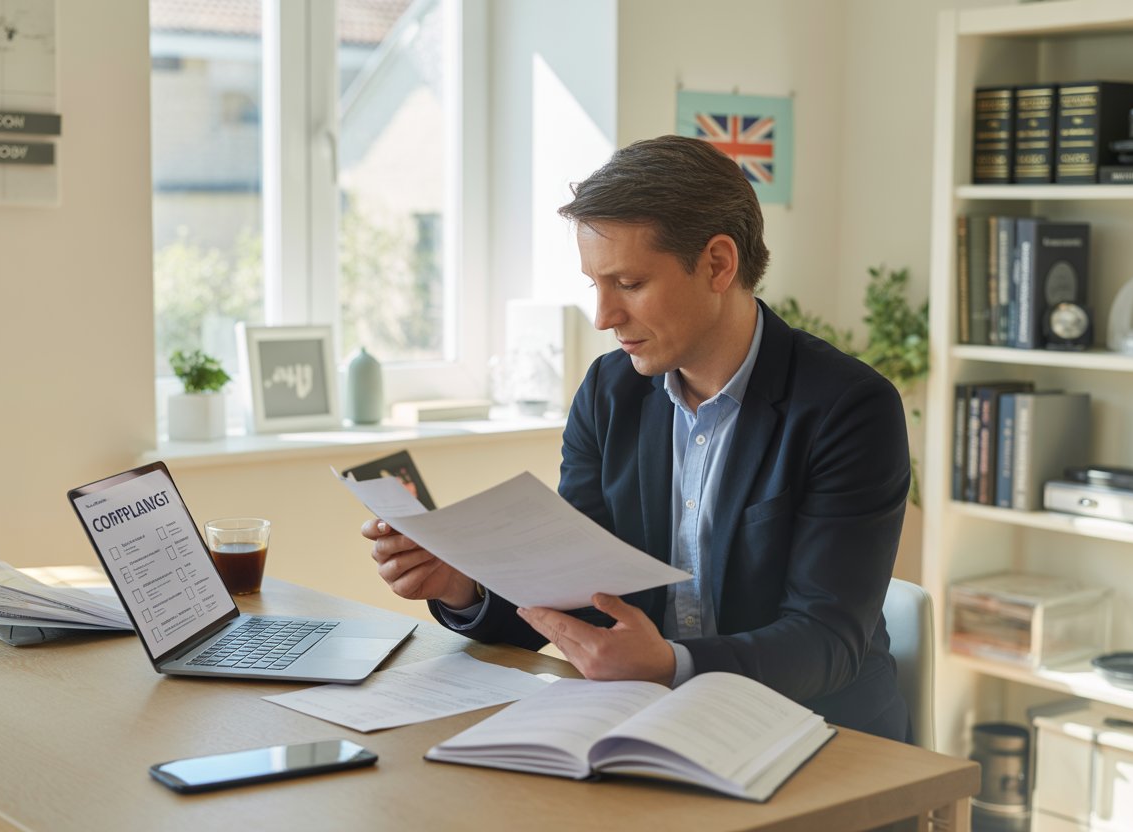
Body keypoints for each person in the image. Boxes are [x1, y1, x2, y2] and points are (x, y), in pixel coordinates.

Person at [362, 134, 912, 741]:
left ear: (718, 264)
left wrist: (674, 665)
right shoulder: (609, 391)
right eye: (594, 283)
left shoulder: (849, 409)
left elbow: (825, 641)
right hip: (650, 724)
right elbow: (578, 591)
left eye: (627, 283)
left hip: (819, 739)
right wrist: (463, 584)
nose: (603, 315)